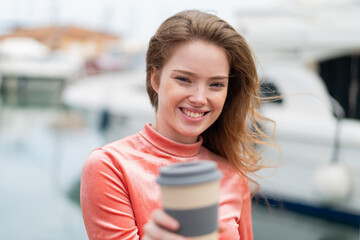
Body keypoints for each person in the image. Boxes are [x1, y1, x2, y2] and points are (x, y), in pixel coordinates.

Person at [80, 9, 275, 240]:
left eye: (216, 85)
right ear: (155, 78)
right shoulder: (110, 166)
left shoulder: (234, 176)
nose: (199, 98)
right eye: (184, 79)